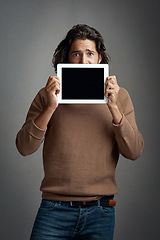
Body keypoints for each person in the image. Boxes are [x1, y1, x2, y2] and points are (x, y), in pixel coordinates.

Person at [16, 24, 144, 240]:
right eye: (76, 54)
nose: (83, 61)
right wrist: (50, 107)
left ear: (99, 58)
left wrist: (113, 108)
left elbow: (134, 151)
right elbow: (24, 147)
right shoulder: (47, 96)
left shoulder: (119, 97)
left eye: (89, 54)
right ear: (67, 58)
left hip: (101, 210)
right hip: (53, 208)